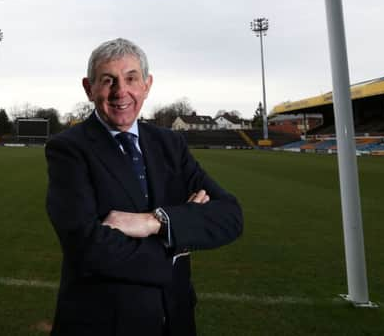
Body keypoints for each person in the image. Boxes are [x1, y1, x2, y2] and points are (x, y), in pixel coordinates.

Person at [45, 38, 243, 336]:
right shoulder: (68, 149)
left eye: (131, 78)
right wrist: (177, 244)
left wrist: (156, 222)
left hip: (176, 319)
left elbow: (230, 215)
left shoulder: (170, 144)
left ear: (147, 85)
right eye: (108, 80)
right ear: (89, 88)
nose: (120, 91)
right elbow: (89, 247)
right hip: (103, 325)